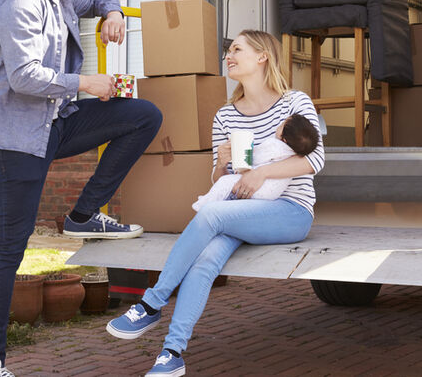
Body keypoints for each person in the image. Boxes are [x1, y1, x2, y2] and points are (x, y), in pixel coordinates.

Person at [0, 0, 162, 377]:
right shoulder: (19, 0)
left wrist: (114, 12)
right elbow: (23, 77)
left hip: (57, 124)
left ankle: (83, 214)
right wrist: (85, 82)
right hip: (19, 139)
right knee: (10, 249)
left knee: (144, 116)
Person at [106, 29, 324, 377]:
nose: (229, 56)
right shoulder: (225, 116)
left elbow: (314, 161)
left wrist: (261, 174)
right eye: (228, 51)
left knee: (212, 213)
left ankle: (152, 302)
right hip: (237, 209)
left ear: (262, 56)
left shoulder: (294, 103)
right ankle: (172, 353)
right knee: (206, 259)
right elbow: (216, 179)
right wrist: (222, 163)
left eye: (237, 49)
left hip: (290, 211)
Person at [191, 113, 319, 210]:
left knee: (225, 183)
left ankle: (204, 204)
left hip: (263, 187)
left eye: (282, 125)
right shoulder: (294, 152)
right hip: (273, 192)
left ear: (283, 138)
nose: (278, 125)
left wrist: (243, 154)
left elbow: (258, 156)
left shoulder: (275, 145)